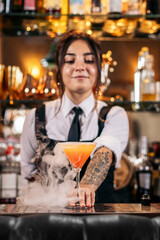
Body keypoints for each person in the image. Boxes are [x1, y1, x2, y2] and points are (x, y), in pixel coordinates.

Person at [20, 30, 129, 207]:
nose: (80, 66)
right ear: (59, 69)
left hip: (101, 224)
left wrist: (85, 187)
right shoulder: (35, 117)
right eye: (70, 60)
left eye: (89, 60)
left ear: (99, 68)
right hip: (50, 223)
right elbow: (29, 173)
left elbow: (105, 151)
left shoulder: (114, 115)